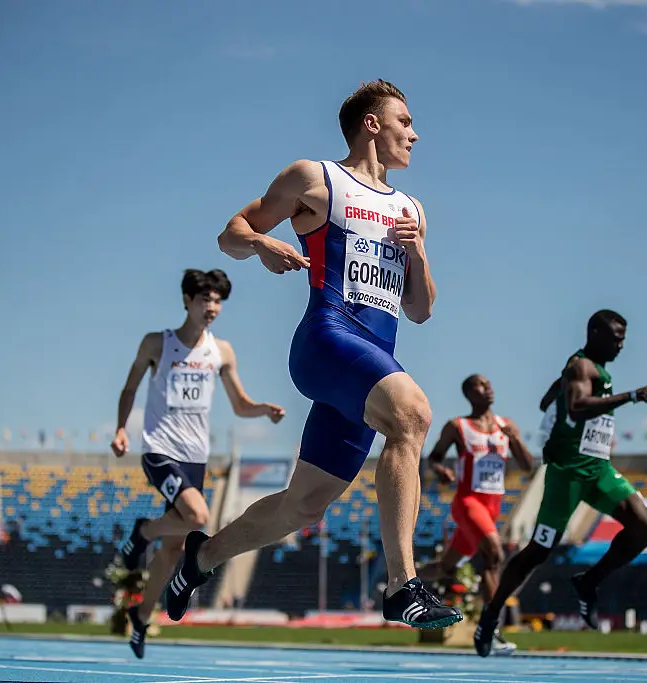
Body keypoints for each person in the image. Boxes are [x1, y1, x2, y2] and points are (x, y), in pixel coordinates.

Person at [163, 80, 462, 630]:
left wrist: (416, 251)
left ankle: (199, 558)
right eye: (405, 121)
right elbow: (231, 233)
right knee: (413, 414)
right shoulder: (316, 179)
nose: (415, 134)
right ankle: (403, 586)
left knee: (303, 507)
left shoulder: (409, 208)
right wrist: (261, 245)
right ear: (372, 124)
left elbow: (420, 310)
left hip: (370, 362)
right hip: (326, 343)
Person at [111, 268, 285, 658]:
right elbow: (130, 386)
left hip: (195, 458)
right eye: (205, 299)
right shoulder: (158, 343)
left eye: (218, 301)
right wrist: (122, 429)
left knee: (172, 551)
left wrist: (263, 411)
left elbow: (240, 404)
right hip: (160, 449)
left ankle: (140, 616)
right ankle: (143, 531)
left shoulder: (221, 351)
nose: (212, 307)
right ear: (187, 301)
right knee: (197, 516)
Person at [474, 309, 647, 657]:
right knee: (538, 551)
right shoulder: (581, 366)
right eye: (615, 338)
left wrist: (550, 397)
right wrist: (631, 396)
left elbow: (560, 395)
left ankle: (589, 581)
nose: (621, 345)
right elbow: (577, 407)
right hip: (568, 474)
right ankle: (490, 615)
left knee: (645, 528)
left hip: (598, 468)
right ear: (594, 334)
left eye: (624, 338)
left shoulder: (583, 368)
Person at [419, 374, 534, 654]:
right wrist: (441, 470)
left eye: (490, 384)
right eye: (481, 385)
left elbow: (528, 466)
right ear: (469, 394)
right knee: (494, 554)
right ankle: (490, 631)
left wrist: (515, 440)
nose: (489, 388)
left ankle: (405, 578)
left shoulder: (506, 426)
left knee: (447, 567)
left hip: (492, 508)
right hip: (467, 503)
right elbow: (433, 457)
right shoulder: (458, 426)